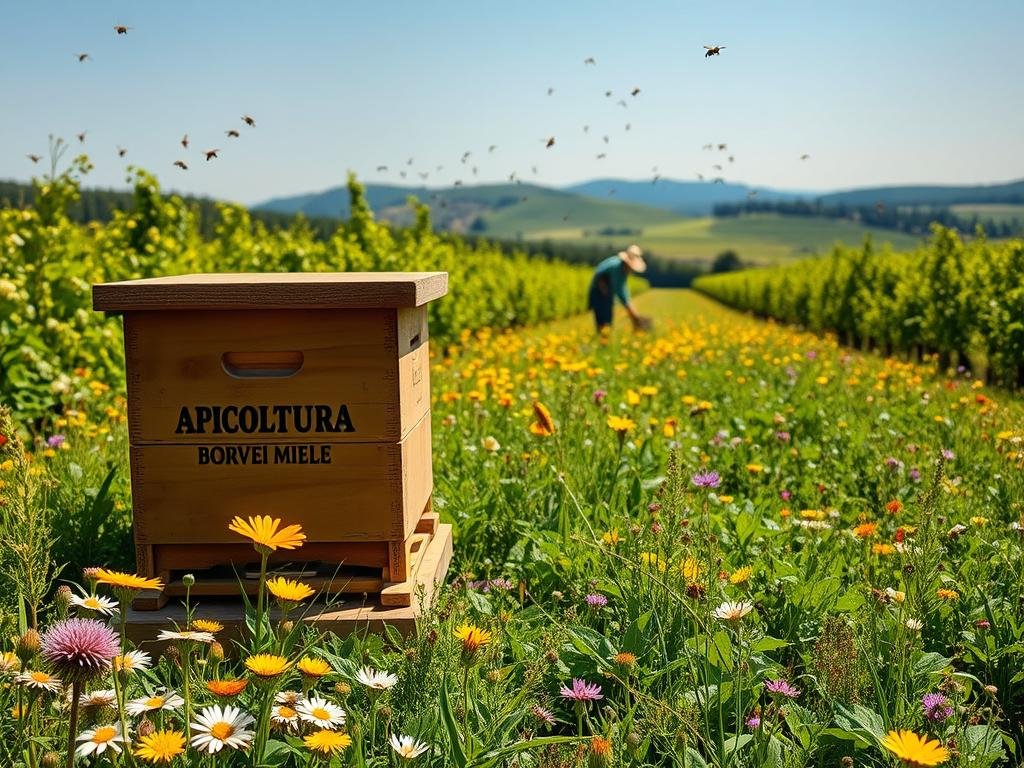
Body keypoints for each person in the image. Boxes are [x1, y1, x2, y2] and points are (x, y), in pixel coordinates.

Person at [588, 244, 650, 332]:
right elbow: (621, 292)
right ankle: (603, 342)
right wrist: (634, 316)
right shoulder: (616, 268)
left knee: (607, 323)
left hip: (605, 295)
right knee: (604, 323)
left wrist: (634, 314)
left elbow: (623, 290)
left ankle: (603, 342)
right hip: (599, 294)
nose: (632, 271)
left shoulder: (620, 267)